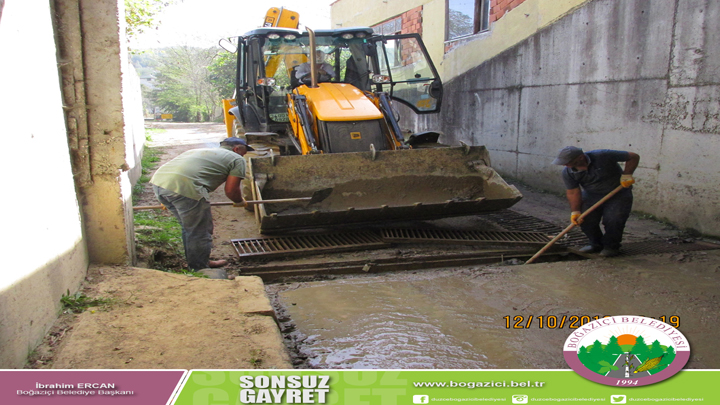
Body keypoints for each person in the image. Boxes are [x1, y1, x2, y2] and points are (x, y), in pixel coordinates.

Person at [149, 137, 254, 270]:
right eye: (244, 152)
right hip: (185, 189)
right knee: (200, 232)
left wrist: (167, 196)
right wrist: (239, 201)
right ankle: (199, 269)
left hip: (159, 184)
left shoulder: (199, 151)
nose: (243, 155)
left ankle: (198, 261)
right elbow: (231, 190)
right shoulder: (236, 158)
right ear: (236, 149)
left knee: (189, 228)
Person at [552, 146, 640, 257]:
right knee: (585, 219)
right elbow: (573, 192)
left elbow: (633, 157)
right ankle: (595, 243)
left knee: (613, 219)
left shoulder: (602, 155)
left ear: (580, 157)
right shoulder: (568, 172)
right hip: (591, 195)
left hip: (618, 194)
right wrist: (575, 212)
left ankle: (611, 247)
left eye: (568, 162)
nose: (565, 165)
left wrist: (627, 174)